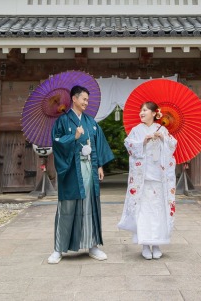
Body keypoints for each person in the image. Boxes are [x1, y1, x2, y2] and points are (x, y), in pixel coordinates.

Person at [48, 85, 114, 264]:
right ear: (74, 99)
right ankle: (58, 248)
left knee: (90, 206)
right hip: (71, 170)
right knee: (67, 207)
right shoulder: (62, 121)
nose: (86, 102)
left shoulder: (91, 122)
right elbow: (56, 142)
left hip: (89, 169)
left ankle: (93, 245)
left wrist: (99, 165)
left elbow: (99, 144)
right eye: (84, 99)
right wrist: (73, 137)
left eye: (87, 99)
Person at [117, 101, 177, 260]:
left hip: (158, 176)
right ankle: (144, 244)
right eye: (140, 111)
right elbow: (128, 145)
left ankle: (157, 244)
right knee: (143, 211)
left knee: (157, 210)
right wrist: (143, 141)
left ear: (154, 113)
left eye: (144, 110)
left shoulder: (162, 129)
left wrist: (163, 138)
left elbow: (173, 146)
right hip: (142, 177)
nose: (141, 113)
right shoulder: (137, 130)